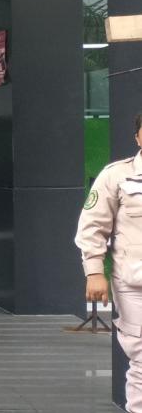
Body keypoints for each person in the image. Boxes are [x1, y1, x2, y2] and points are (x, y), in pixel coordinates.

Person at [76, 112, 142, 413]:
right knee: (141, 358)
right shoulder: (117, 175)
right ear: (138, 137)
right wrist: (94, 272)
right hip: (134, 283)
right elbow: (92, 227)